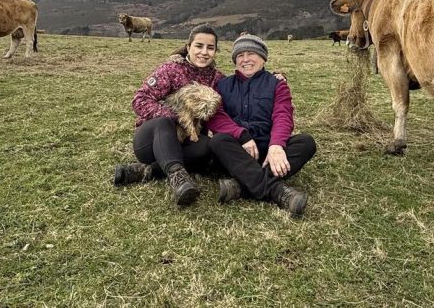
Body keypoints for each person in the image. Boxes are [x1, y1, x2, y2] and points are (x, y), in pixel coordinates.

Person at [113, 24, 249, 206]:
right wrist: (177, 116)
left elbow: (242, 87)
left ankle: (146, 171)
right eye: (199, 46)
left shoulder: (217, 79)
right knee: (164, 122)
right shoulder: (170, 70)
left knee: (207, 146)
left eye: (210, 48)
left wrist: (276, 79)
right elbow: (139, 100)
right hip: (153, 141)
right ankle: (178, 179)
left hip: (186, 142)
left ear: (216, 51)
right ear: (189, 47)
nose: (204, 52)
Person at [210, 34, 317, 217]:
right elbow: (216, 117)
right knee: (218, 141)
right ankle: (277, 191)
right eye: (240, 55)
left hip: (268, 152)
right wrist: (241, 135)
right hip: (238, 151)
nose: (245, 60)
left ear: (262, 58)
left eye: (251, 53)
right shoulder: (223, 85)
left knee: (306, 142)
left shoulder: (277, 84)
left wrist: (276, 145)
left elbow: (283, 114)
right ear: (235, 60)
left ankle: (241, 186)